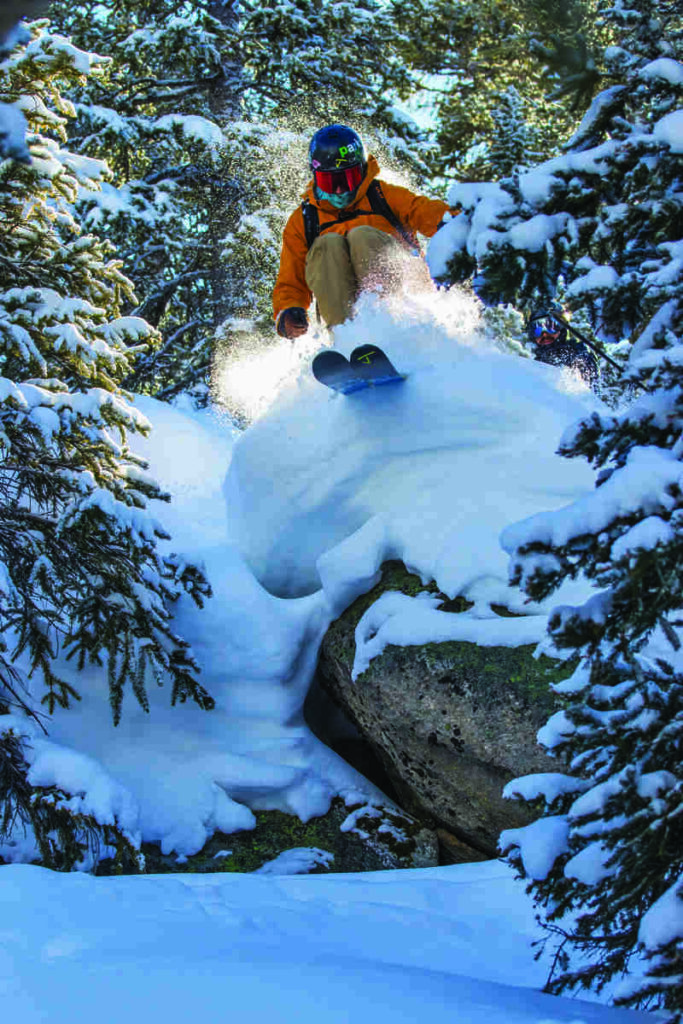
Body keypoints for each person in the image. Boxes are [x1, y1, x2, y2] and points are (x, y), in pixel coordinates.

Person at [273, 124, 452, 339]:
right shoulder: (305, 219)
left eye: (346, 180)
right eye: (330, 182)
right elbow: (291, 278)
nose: (340, 190)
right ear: (316, 177)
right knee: (326, 245)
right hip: (342, 304)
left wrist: (458, 221)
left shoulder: (382, 196)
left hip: (404, 296)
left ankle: (389, 326)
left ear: (361, 171)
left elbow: (425, 211)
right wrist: (289, 311)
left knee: (362, 236)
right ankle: (345, 339)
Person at [527, 307, 599, 390]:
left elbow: (590, 384)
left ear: (561, 328)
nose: (544, 334)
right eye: (537, 331)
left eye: (551, 328)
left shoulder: (577, 350)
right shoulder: (537, 362)